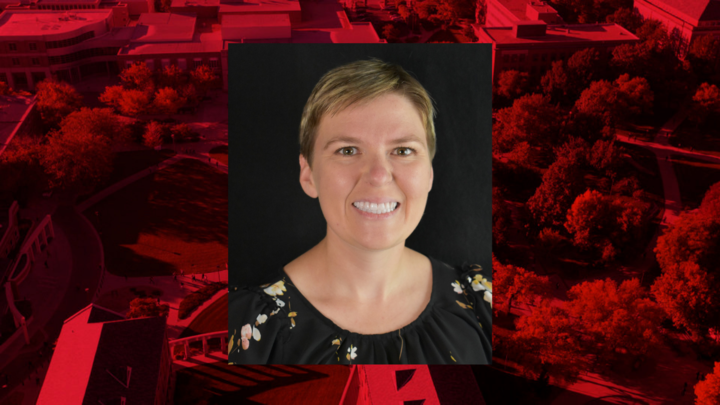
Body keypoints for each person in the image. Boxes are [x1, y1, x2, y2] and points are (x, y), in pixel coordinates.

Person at [228, 59, 492, 364]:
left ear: (429, 174)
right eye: (348, 151)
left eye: (403, 151)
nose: (379, 175)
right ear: (308, 174)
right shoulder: (245, 331)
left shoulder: (483, 305)